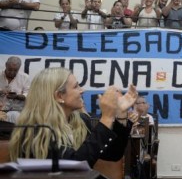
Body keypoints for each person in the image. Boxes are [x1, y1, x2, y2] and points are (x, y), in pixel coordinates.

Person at [9, 67, 138, 168]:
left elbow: (113, 154)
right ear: (60, 96)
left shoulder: (80, 121)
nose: (82, 90)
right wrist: (107, 118)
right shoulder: (35, 129)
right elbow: (73, 168)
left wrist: (121, 114)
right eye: (76, 86)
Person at [0, 56, 30, 123]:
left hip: (17, 110)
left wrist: (18, 96)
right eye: (10, 69)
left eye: (15, 70)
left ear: (19, 68)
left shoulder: (25, 78)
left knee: (14, 117)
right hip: (1, 109)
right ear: (6, 65)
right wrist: (1, 91)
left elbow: (28, 94)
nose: (12, 72)